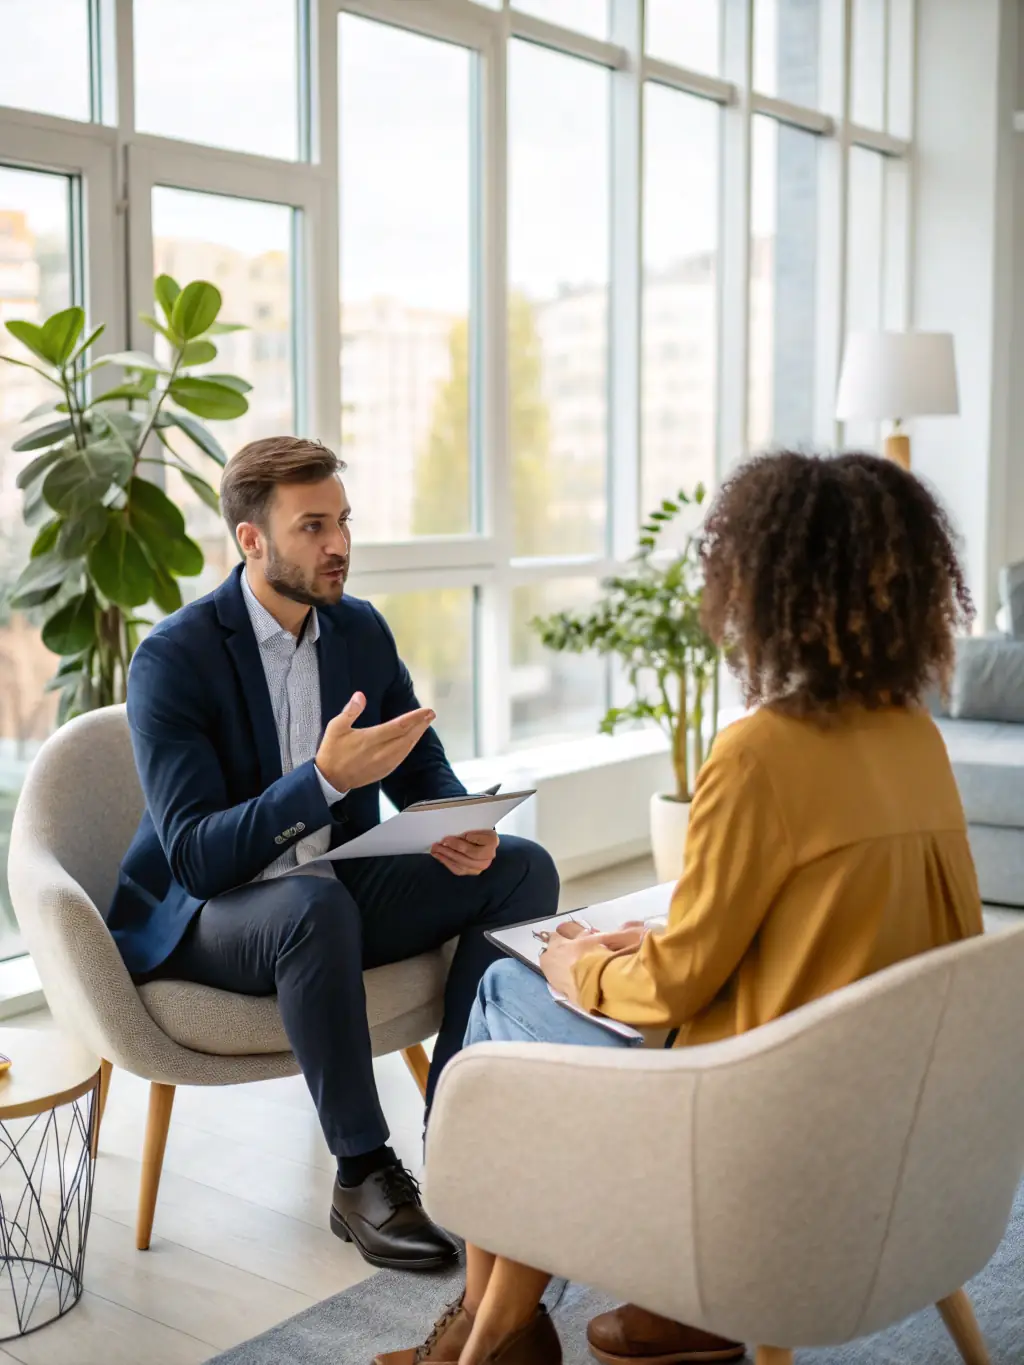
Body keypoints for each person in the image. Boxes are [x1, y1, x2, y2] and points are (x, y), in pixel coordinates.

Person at [379, 451, 984, 1365]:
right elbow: (887, 934)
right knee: (577, 977)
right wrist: (649, 942)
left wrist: (577, 960)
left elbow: (674, 989)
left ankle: (492, 1327)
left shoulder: (762, 754)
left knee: (509, 993)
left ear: (765, 587)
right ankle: (666, 1316)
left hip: (752, 1120)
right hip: (878, 1104)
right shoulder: (916, 738)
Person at [107, 435, 559, 1273]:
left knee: (521, 866)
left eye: (343, 521)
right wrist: (317, 782)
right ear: (252, 540)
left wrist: (453, 820)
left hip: (336, 887)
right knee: (313, 907)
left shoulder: (357, 629)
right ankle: (363, 1173)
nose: (339, 544)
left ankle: (457, 1129)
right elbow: (198, 856)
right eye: (312, 526)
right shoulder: (174, 658)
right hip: (213, 913)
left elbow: (419, 758)